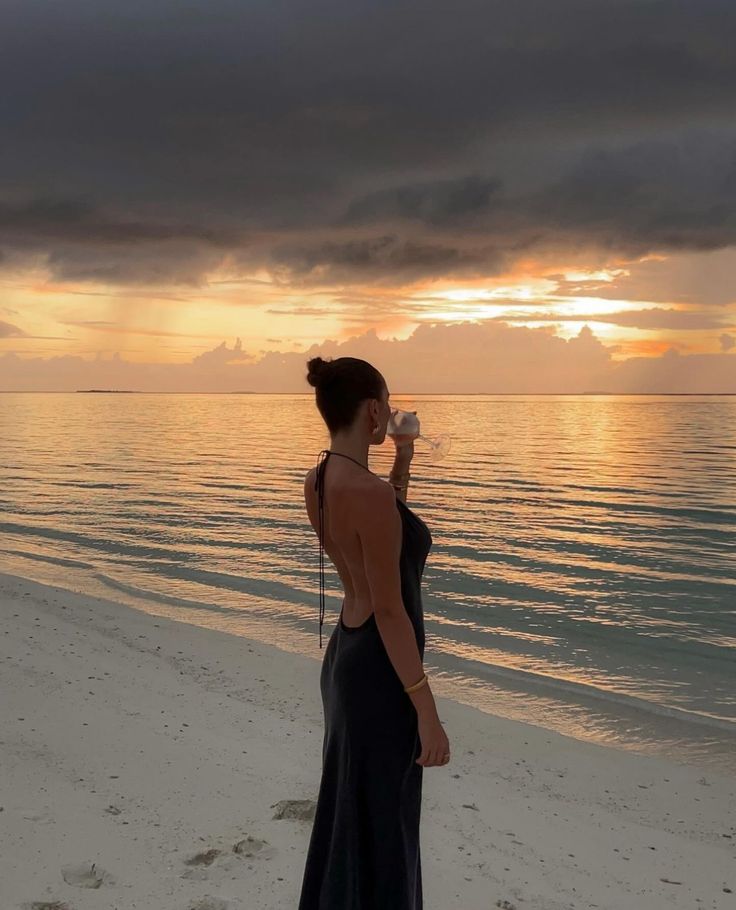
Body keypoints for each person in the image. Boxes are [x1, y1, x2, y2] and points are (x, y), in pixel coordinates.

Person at [298, 355, 450, 910]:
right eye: (385, 403)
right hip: (382, 673)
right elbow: (392, 610)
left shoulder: (318, 479)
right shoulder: (368, 494)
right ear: (371, 410)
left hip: (346, 659)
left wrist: (404, 456)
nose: (389, 412)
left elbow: (379, 537)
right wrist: (427, 713)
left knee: (352, 811)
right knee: (387, 820)